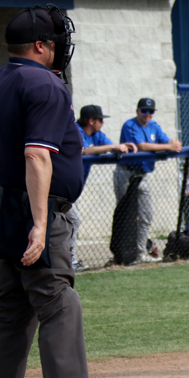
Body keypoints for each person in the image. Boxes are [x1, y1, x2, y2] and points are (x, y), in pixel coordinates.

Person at [0, 5, 120, 378]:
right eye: (53, 40)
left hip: (5, 205)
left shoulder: (2, 79)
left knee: (12, 308)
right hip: (38, 209)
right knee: (59, 303)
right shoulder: (45, 83)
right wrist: (40, 223)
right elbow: (36, 155)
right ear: (41, 46)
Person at [70, 104, 137, 272]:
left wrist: (124, 146)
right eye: (100, 120)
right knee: (73, 220)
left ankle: (66, 260)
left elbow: (111, 146)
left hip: (74, 188)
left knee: (67, 222)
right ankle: (69, 261)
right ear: (91, 121)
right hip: (62, 186)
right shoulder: (75, 130)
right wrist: (114, 147)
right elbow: (84, 151)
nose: (102, 123)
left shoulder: (97, 135)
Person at [116, 97, 182, 263]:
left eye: (150, 111)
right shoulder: (129, 125)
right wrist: (168, 147)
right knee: (126, 215)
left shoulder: (154, 126)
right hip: (125, 173)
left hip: (142, 175)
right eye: (144, 111)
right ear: (137, 111)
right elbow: (142, 146)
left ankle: (139, 254)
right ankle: (122, 256)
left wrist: (173, 143)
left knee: (146, 215)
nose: (147, 114)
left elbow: (166, 141)